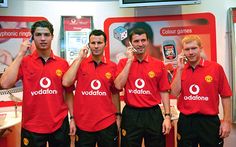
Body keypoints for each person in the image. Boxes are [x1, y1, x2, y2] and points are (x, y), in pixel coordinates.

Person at [0, 20, 76, 147]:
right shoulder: (24, 62)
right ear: (32, 38)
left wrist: (72, 118)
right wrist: (20, 54)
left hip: (59, 124)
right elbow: (5, 84)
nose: (42, 38)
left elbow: (68, 93)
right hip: (32, 126)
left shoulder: (62, 63)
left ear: (52, 36)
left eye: (46, 35)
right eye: (38, 35)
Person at [171, 35, 232, 147]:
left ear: (200, 48)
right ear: (183, 51)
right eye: (187, 49)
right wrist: (179, 69)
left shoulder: (215, 68)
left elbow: (226, 96)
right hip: (186, 121)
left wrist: (227, 121)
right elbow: (174, 93)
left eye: (194, 48)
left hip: (209, 121)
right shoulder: (180, 69)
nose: (190, 52)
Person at [62, 29, 121, 147]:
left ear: (106, 44)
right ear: (88, 45)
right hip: (83, 124)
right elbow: (66, 82)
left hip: (107, 123)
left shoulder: (112, 66)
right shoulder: (80, 63)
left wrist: (118, 116)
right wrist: (79, 58)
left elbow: (115, 93)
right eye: (93, 43)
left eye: (99, 43)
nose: (96, 46)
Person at [114, 28, 171, 147]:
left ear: (148, 41)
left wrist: (167, 117)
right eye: (136, 41)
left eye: (143, 40)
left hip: (153, 114)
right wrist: (130, 61)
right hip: (131, 114)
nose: (140, 44)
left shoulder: (158, 64)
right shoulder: (123, 63)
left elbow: (164, 91)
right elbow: (118, 85)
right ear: (130, 44)